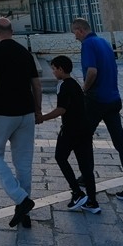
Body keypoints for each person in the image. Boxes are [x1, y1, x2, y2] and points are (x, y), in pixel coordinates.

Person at [0, 17, 43, 229]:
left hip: (4, 113)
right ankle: (23, 213)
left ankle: (21, 199)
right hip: (26, 113)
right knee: (23, 163)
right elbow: (37, 85)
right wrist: (37, 110)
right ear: (12, 32)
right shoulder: (24, 52)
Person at [71, 17, 123, 204]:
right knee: (120, 143)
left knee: (83, 139)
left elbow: (92, 71)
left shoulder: (88, 45)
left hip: (96, 100)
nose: (74, 37)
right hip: (113, 99)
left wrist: (83, 90)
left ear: (80, 30)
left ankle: (87, 177)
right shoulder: (103, 42)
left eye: (74, 32)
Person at [39, 55, 99, 213]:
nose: (53, 72)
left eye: (53, 69)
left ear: (60, 69)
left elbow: (61, 109)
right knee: (85, 166)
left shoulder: (63, 85)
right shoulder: (76, 84)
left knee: (60, 157)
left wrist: (42, 118)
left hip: (71, 130)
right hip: (84, 129)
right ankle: (92, 201)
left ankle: (77, 193)